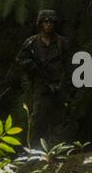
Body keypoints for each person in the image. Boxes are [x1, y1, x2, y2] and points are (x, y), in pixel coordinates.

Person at [16, 10, 70, 146]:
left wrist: (63, 85)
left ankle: (56, 152)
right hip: (39, 87)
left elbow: (69, 64)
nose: (49, 24)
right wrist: (30, 65)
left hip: (59, 87)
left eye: (51, 22)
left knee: (59, 120)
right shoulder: (31, 42)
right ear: (40, 23)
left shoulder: (61, 43)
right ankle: (35, 153)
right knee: (38, 120)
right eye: (46, 21)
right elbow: (20, 60)